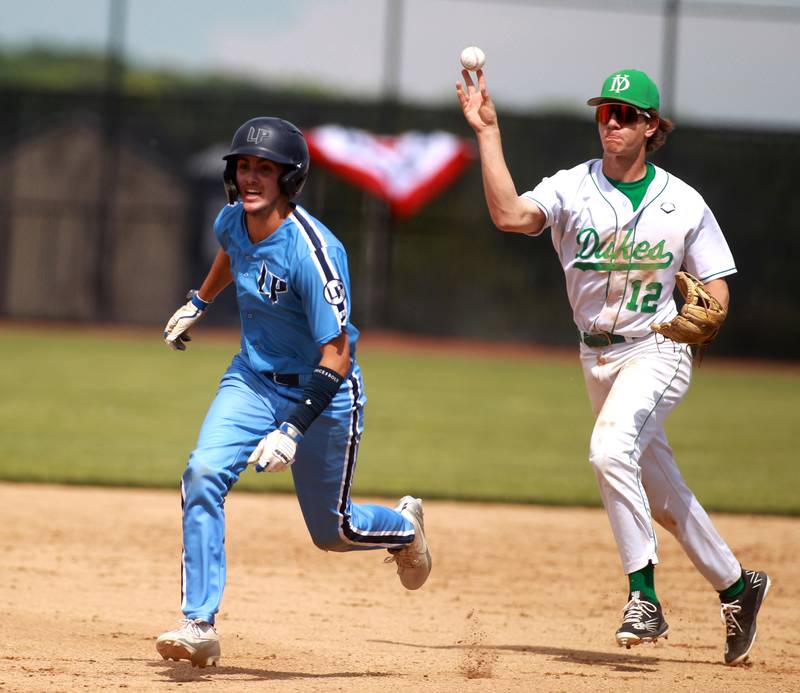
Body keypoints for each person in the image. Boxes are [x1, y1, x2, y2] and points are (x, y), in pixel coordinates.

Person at [456, 68, 769, 666]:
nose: (614, 123)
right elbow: (510, 216)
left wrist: (708, 315)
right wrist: (488, 133)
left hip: (660, 347)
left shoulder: (684, 201)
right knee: (664, 496)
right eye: (606, 113)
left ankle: (643, 597)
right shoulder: (572, 188)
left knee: (607, 451)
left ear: (652, 126)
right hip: (594, 355)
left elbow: (717, 286)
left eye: (627, 115)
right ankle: (738, 586)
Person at [155, 117, 432, 668]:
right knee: (202, 474)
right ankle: (199, 622)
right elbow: (232, 253)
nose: (252, 177)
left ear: (290, 178)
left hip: (323, 394)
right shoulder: (232, 219)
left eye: (266, 169)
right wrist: (199, 303)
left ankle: (404, 528)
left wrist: (291, 429)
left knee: (333, 533)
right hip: (252, 380)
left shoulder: (313, 252)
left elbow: (338, 355)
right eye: (244, 166)